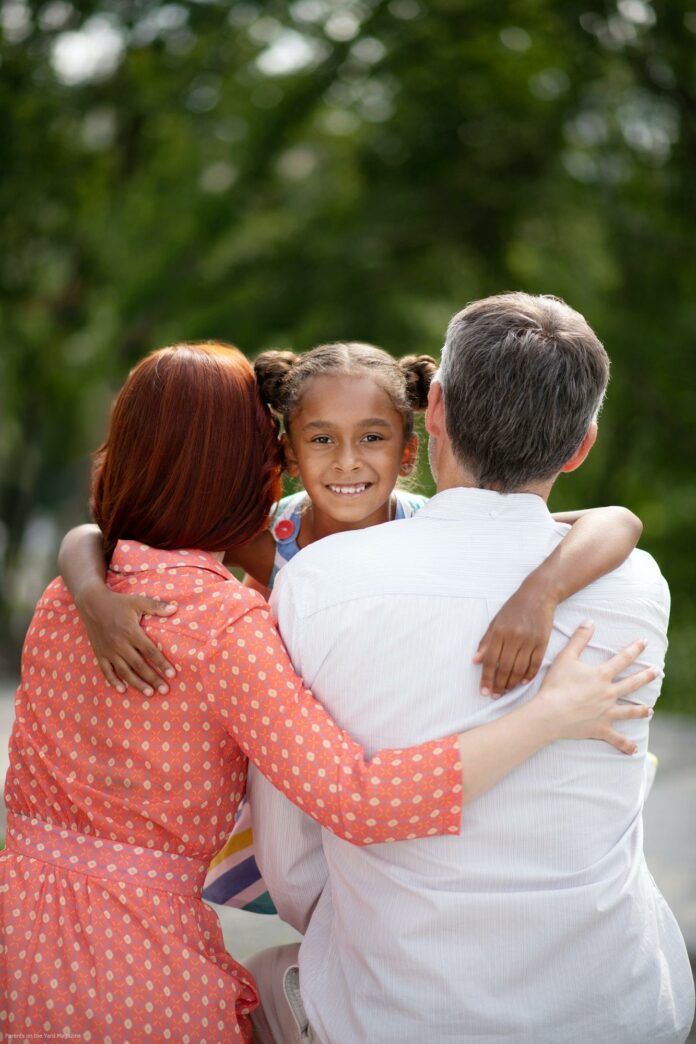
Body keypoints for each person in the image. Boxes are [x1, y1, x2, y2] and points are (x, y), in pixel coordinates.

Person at [0, 342, 652, 1042]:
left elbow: (615, 521)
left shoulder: (60, 605)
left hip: (23, 923)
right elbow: (358, 799)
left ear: (406, 449)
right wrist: (548, 714)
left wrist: (541, 592)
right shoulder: (245, 591)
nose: (345, 462)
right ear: (278, 456)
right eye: (316, 442)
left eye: (371, 438)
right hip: (251, 846)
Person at [243, 297, 695, 1043]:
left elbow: (289, 863)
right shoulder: (638, 586)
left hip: (399, 1015)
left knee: (264, 977)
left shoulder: (315, 583)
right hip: (621, 1007)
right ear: (580, 446)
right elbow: (611, 526)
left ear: (436, 413)